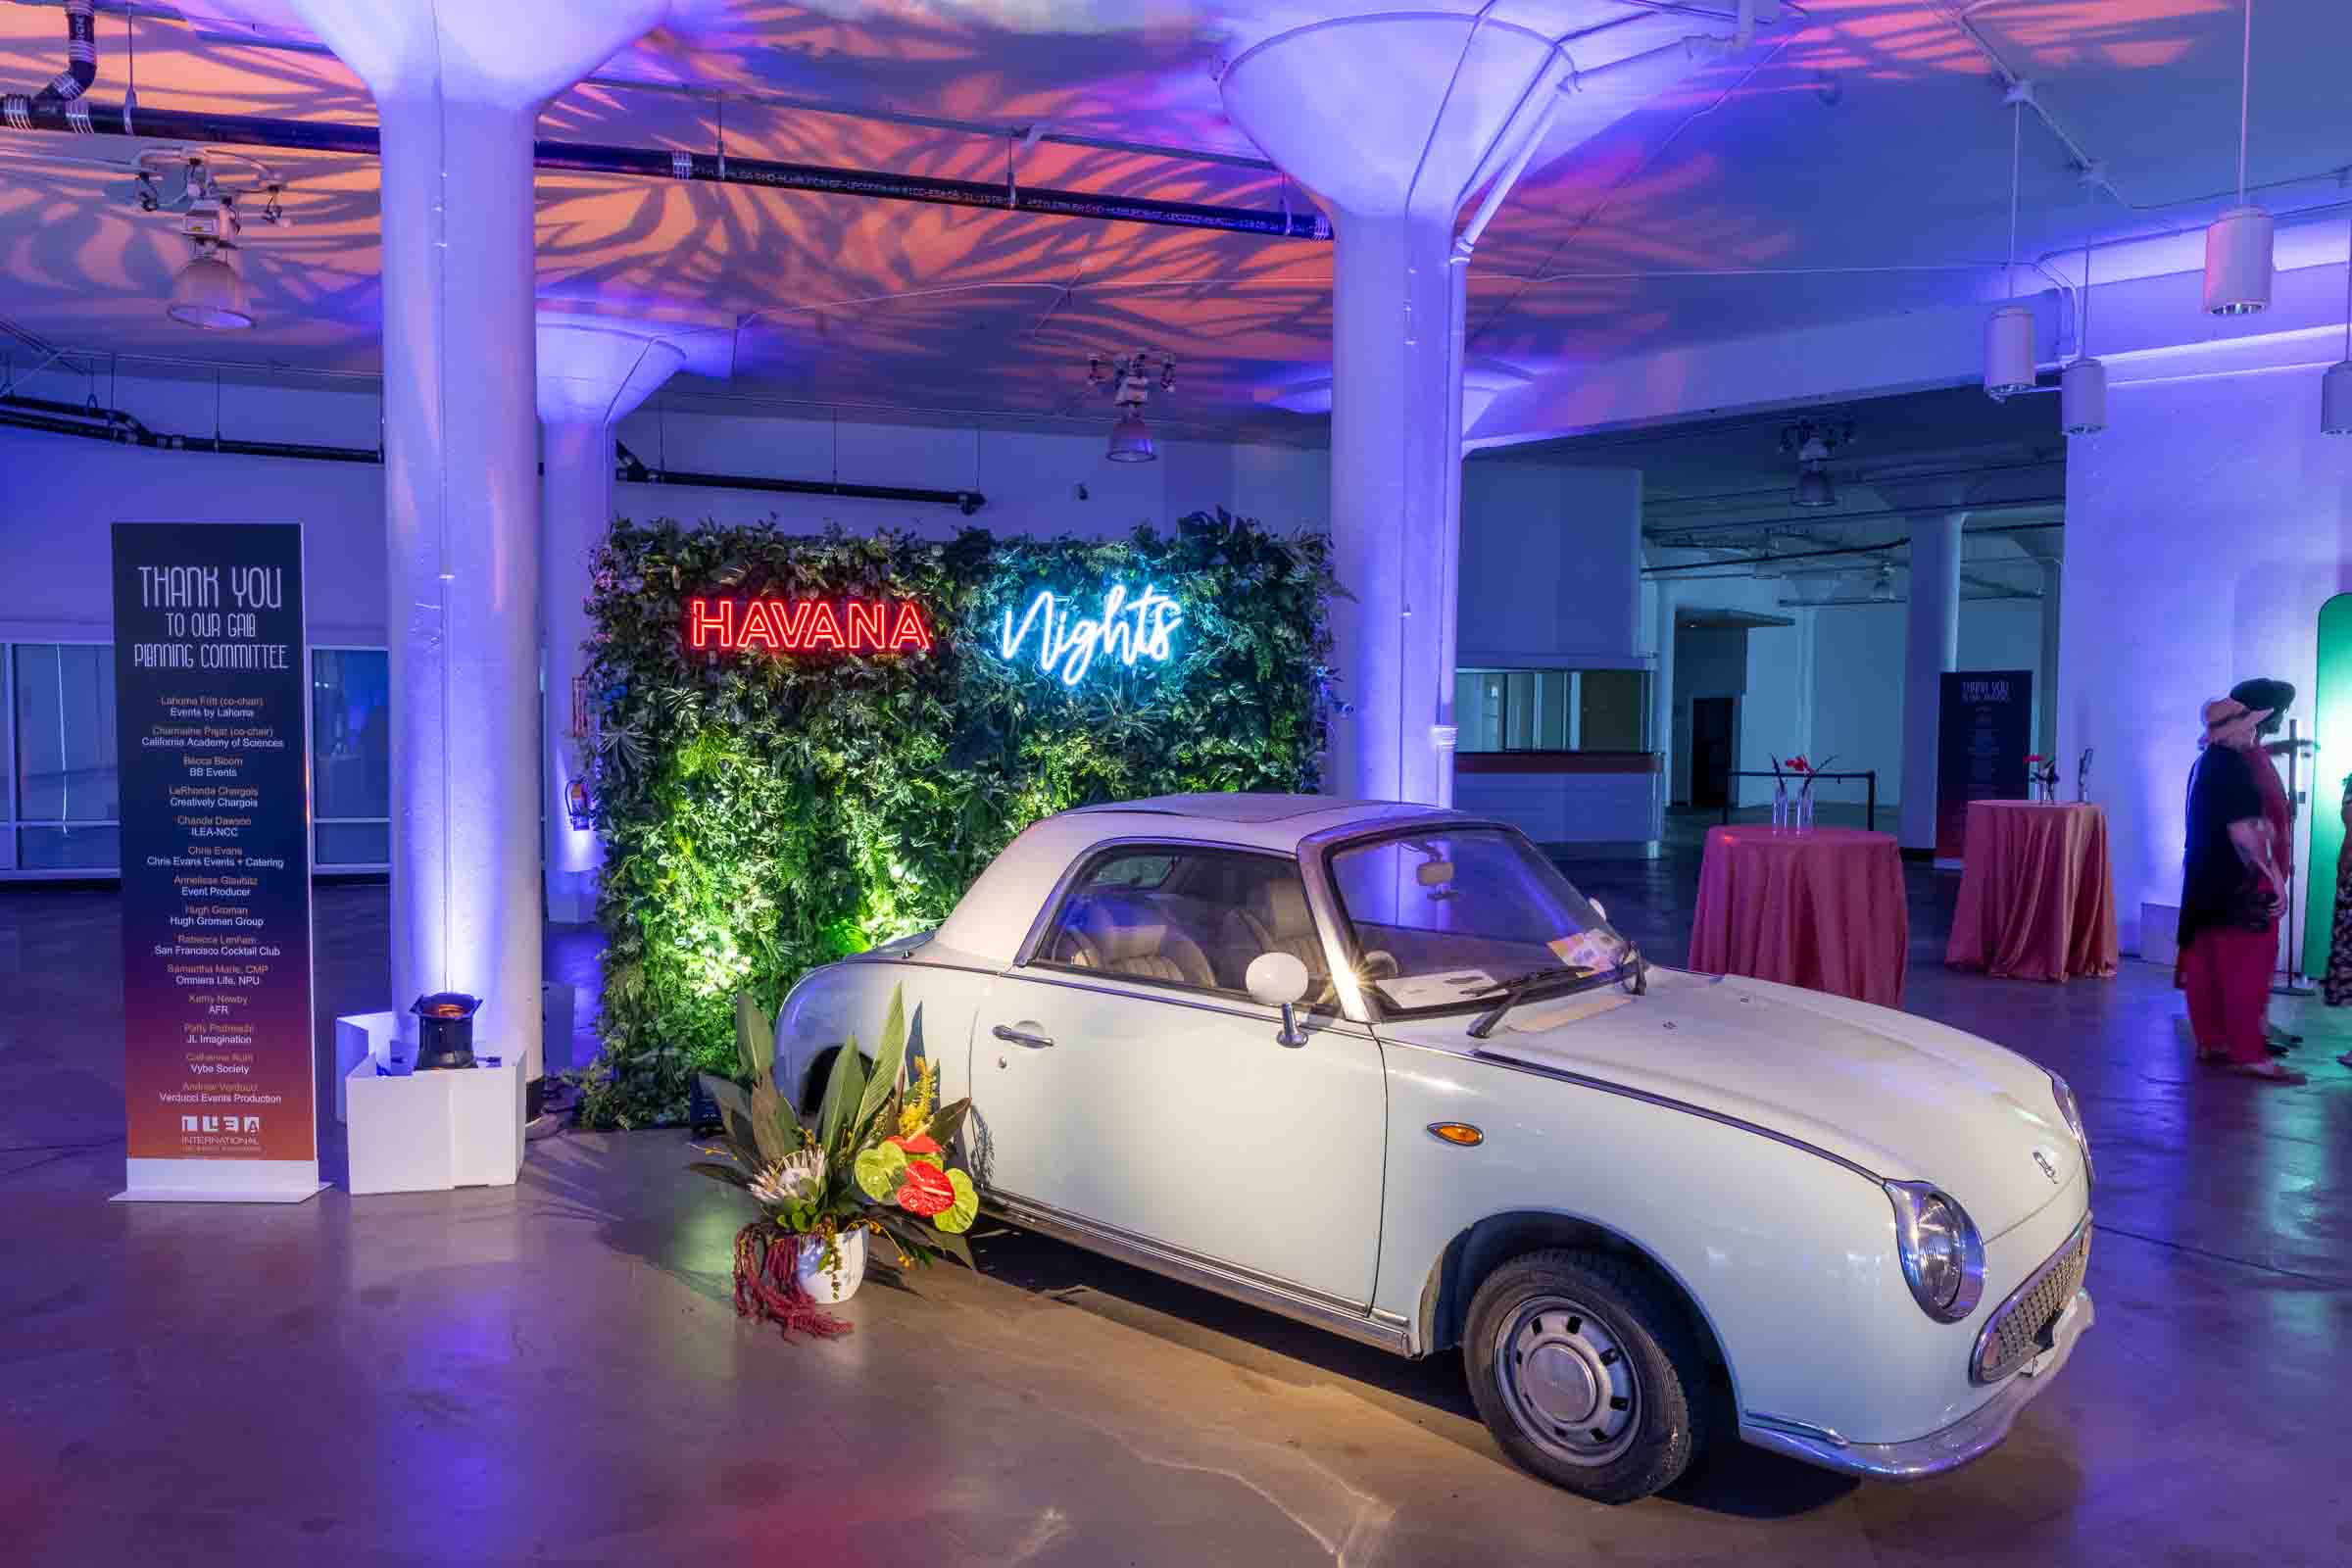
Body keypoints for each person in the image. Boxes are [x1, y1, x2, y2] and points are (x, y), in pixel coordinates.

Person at [2179, 696, 2304, 1083]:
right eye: (2251, 723)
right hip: (2238, 883)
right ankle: (2251, 1054)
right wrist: (2272, 875)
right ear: (2240, 728)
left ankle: (2213, 1040)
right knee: (2247, 969)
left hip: (2204, 879)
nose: (2256, 729)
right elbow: (2242, 830)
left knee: (2207, 964)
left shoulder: (2208, 764)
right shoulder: (2234, 768)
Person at [2228, 677, 2303, 1053]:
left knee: (2261, 958)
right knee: (2249, 957)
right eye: (2279, 710)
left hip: (2267, 869)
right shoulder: (2239, 760)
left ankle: (2256, 1024)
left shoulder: (2256, 755)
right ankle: (2246, 1035)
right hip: (2253, 876)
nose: (2282, 718)